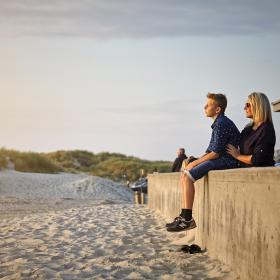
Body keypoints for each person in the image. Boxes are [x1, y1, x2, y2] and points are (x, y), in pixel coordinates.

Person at [166, 93, 240, 232]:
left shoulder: (221, 123)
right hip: (220, 159)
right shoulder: (218, 122)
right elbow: (211, 150)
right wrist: (196, 159)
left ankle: (187, 219)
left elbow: (215, 153)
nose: (204, 107)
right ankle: (183, 216)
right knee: (185, 175)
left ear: (217, 109)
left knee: (188, 176)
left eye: (208, 105)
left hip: (226, 161)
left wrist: (195, 163)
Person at [227, 92, 276, 167]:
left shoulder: (266, 129)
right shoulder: (247, 128)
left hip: (260, 176)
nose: (244, 108)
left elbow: (257, 159)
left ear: (257, 106)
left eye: (247, 105)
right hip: (244, 174)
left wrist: (238, 156)